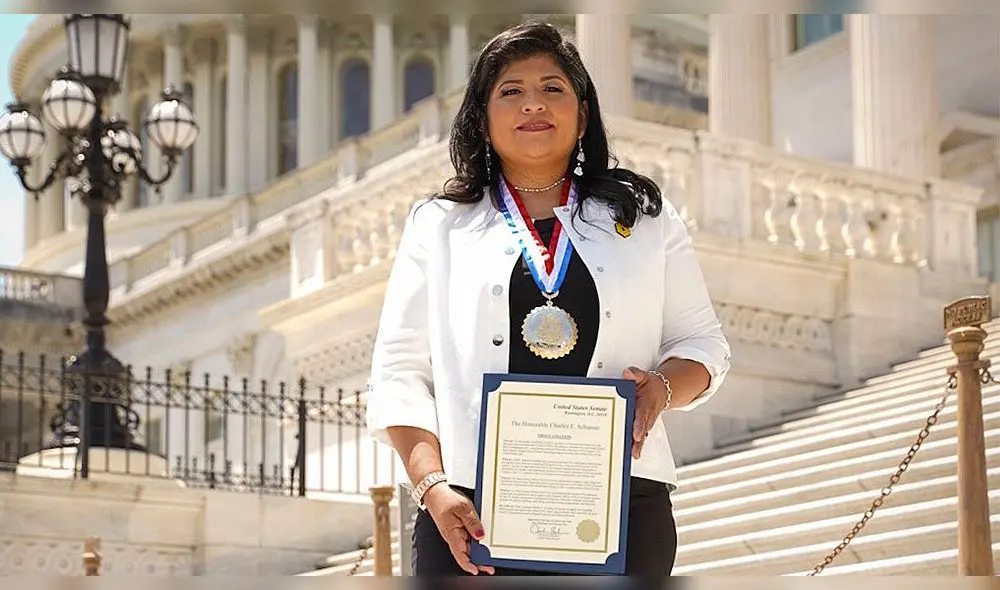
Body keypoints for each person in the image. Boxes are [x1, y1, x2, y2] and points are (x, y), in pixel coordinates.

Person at [365, 20, 731, 577]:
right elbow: (398, 372)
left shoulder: (645, 220)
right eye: (511, 91)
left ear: (582, 115)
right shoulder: (438, 226)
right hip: (469, 513)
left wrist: (661, 388)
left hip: (624, 506)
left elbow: (703, 347)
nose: (533, 104)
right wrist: (433, 487)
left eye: (552, 88)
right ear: (482, 121)